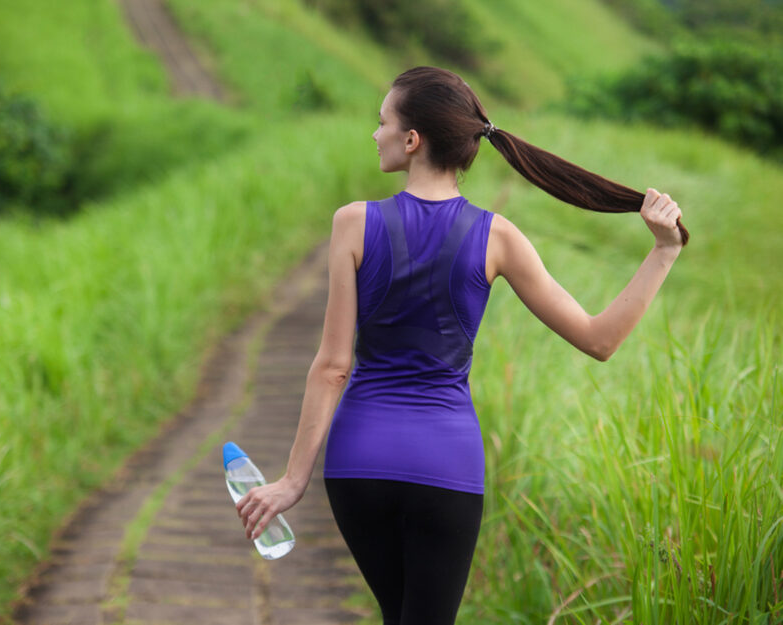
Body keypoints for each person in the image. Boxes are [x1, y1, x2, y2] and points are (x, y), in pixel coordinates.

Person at [235, 66, 685, 624]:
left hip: (359, 465)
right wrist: (662, 252)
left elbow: (332, 366)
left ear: (412, 139)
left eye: (382, 123)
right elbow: (600, 340)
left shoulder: (353, 224)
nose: (373, 134)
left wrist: (292, 481)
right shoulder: (497, 236)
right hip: (445, 465)